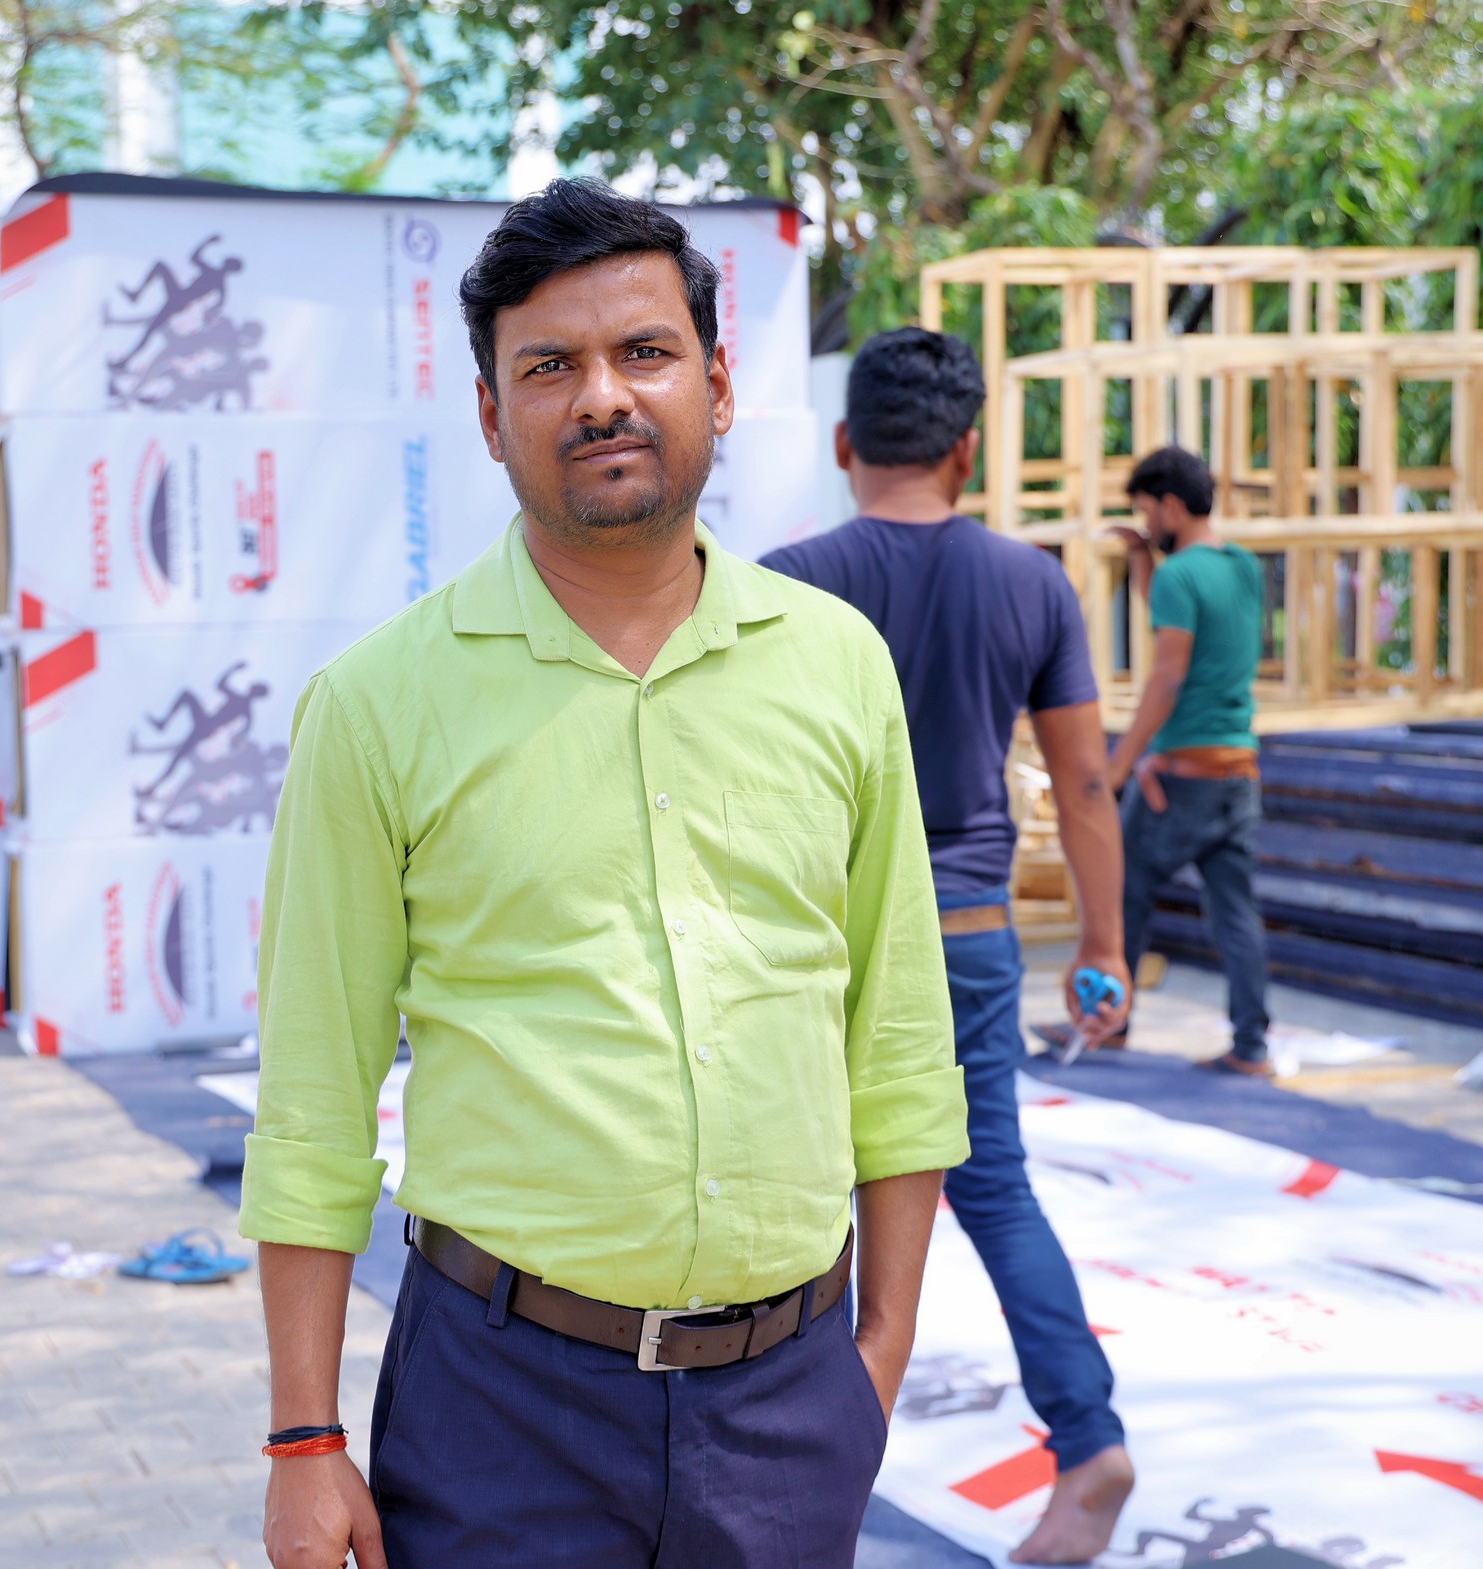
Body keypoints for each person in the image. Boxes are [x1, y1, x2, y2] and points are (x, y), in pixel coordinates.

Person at [240, 179, 970, 1569]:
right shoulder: (378, 706)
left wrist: (875, 1354)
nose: (602, 398)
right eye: (549, 367)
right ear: (488, 414)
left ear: (717, 384)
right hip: (498, 1409)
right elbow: (314, 1101)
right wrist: (301, 1438)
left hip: (791, 1402)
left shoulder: (835, 667)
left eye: (644, 352)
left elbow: (896, 1042)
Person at [763, 327, 1136, 1564]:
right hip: (967, 929)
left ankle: (789, 1475)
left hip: (822, 940)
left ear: (843, 443)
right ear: (967, 451)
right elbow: (1083, 786)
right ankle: (1087, 1443)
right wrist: (1101, 947)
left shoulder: (785, 586)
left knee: (800, 1199)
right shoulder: (1031, 583)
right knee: (995, 1189)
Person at [1103, 445, 1271, 1077]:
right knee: (1236, 915)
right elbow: (1180, 619)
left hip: (1183, 779)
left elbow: (1168, 675)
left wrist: (1118, 766)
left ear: (1171, 505)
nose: (1146, 524)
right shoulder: (1242, 567)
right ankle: (1251, 1047)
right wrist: (1142, 559)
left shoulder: (1179, 577)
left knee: (1121, 892)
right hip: (1238, 772)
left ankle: (1108, 1023)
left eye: (1147, 511)